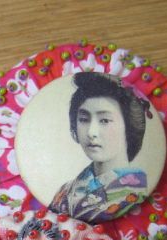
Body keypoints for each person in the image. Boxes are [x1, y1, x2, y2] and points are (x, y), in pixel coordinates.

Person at [49, 72, 152, 223]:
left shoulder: (137, 194)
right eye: (84, 119)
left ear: (129, 126)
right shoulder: (65, 191)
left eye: (104, 120)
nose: (92, 132)